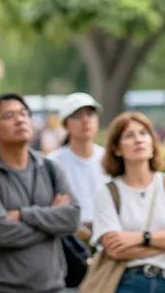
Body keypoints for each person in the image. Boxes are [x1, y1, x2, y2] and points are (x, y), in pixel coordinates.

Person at [0, 93, 80, 293]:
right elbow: (0, 232)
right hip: (2, 289)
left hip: (54, 288)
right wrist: (51, 221)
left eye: (24, 114)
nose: (20, 120)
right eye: (9, 116)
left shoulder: (51, 169)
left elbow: (71, 219)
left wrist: (23, 215)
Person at [91, 111, 165, 293]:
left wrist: (139, 238)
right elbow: (116, 250)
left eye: (144, 133)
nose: (138, 140)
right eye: (129, 136)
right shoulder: (108, 193)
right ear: (117, 149)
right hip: (127, 282)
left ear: (152, 142)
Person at [48, 93, 109, 246]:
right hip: (68, 239)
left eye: (90, 114)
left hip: (107, 236)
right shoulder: (52, 162)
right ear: (65, 124)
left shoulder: (110, 159)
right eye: (77, 116)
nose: (85, 120)